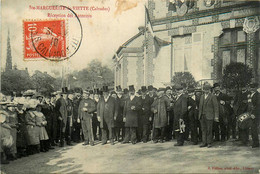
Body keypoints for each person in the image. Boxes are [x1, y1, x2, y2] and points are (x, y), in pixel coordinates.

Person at [198, 83, 219, 148]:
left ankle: (209, 142)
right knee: (203, 129)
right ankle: (204, 142)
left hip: (209, 115)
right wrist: (199, 115)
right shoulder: (201, 97)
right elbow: (200, 106)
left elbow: (216, 107)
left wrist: (216, 116)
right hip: (202, 115)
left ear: (209, 90)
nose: (206, 91)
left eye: (207, 89)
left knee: (209, 129)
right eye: (205, 89)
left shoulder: (212, 96)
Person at [247, 82, 260, 148]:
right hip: (250, 113)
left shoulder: (258, 95)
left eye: (253, 87)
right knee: (252, 128)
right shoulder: (250, 95)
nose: (251, 89)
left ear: (256, 88)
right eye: (251, 87)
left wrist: (254, 114)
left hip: (255, 114)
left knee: (254, 128)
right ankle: (255, 142)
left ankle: (256, 143)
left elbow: (258, 106)